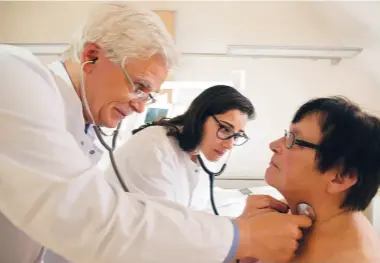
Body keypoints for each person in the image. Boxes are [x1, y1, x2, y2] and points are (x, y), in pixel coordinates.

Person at [0, 2, 312, 263]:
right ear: (91, 56)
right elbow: (86, 216)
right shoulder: (16, 77)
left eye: (149, 96)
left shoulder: (81, 125)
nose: (140, 108)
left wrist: (239, 226)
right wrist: (241, 237)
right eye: (138, 87)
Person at [264, 96, 380, 263]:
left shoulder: (350, 258)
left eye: (294, 140)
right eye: (287, 135)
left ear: (340, 178)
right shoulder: (301, 208)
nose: (273, 145)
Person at [105, 85, 254, 211]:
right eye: (225, 129)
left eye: (236, 136)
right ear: (200, 117)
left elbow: (198, 203)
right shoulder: (155, 145)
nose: (229, 145)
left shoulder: (198, 155)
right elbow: (164, 223)